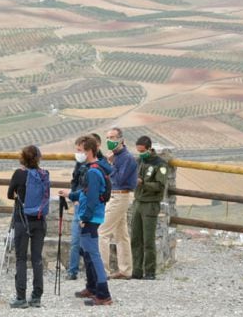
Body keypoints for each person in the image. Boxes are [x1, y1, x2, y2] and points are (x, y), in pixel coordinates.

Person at [63, 135, 112, 306]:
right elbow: (85, 193)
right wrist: (70, 194)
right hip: (93, 216)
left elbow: (91, 198)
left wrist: (84, 218)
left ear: (90, 151)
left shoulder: (92, 172)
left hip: (90, 218)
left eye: (80, 151)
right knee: (88, 252)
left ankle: (103, 294)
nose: (78, 154)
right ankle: (92, 287)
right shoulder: (94, 169)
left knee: (93, 254)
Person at [6, 145, 49, 308]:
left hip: (22, 220)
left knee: (21, 258)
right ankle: (37, 296)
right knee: (37, 258)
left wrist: (18, 193)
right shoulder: (44, 174)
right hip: (39, 220)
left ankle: (21, 297)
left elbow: (10, 194)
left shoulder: (19, 174)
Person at [99, 127, 137, 280]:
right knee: (121, 234)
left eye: (113, 138)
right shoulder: (115, 157)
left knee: (102, 231)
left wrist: (110, 164)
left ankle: (102, 271)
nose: (110, 141)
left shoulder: (126, 158)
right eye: (108, 138)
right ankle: (125, 270)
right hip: (115, 195)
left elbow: (120, 179)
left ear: (121, 139)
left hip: (120, 196)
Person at [130, 135, 168, 280]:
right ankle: (137, 271)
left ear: (149, 148)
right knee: (135, 238)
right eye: (138, 151)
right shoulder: (140, 161)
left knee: (148, 240)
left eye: (142, 151)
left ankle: (150, 271)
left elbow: (160, 186)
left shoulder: (160, 165)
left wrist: (142, 183)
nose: (140, 154)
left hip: (150, 204)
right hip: (138, 202)